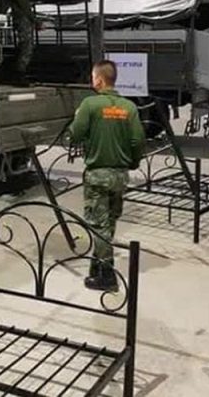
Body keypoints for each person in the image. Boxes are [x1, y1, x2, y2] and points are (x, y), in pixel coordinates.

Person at [69, 60, 146, 292]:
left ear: (100, 80)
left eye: (93, 77)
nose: (92, 81)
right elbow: (138, 140)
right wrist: (132, 163)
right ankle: (97, 264)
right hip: (120, 176)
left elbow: (75, 134)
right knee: (109, 221)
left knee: (98, 224)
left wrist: (77, 118)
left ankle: (107, 274)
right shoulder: (129, 107)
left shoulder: (90, 104)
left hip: (98, 176)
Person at [3, 0, 35, 84]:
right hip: (22, 17)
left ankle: (19, 72)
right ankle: (19, 73)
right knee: (26, 45)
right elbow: (23, 4)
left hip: (20, 17)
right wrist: (34, 19)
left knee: (24, 45)